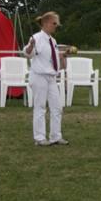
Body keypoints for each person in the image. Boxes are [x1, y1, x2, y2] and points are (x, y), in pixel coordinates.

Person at [24, 11, 67, 147]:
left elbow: (50, 59)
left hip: (51, 77)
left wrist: (62, 57)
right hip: (39, 76)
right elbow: (27, 53)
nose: (56, 26)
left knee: (57, 107)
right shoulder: (36, 38)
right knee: (40, 106)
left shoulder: (52, 41)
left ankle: (55, 136)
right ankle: (40, 137)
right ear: (46, 23)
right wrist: (31, 45)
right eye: (55, 23)